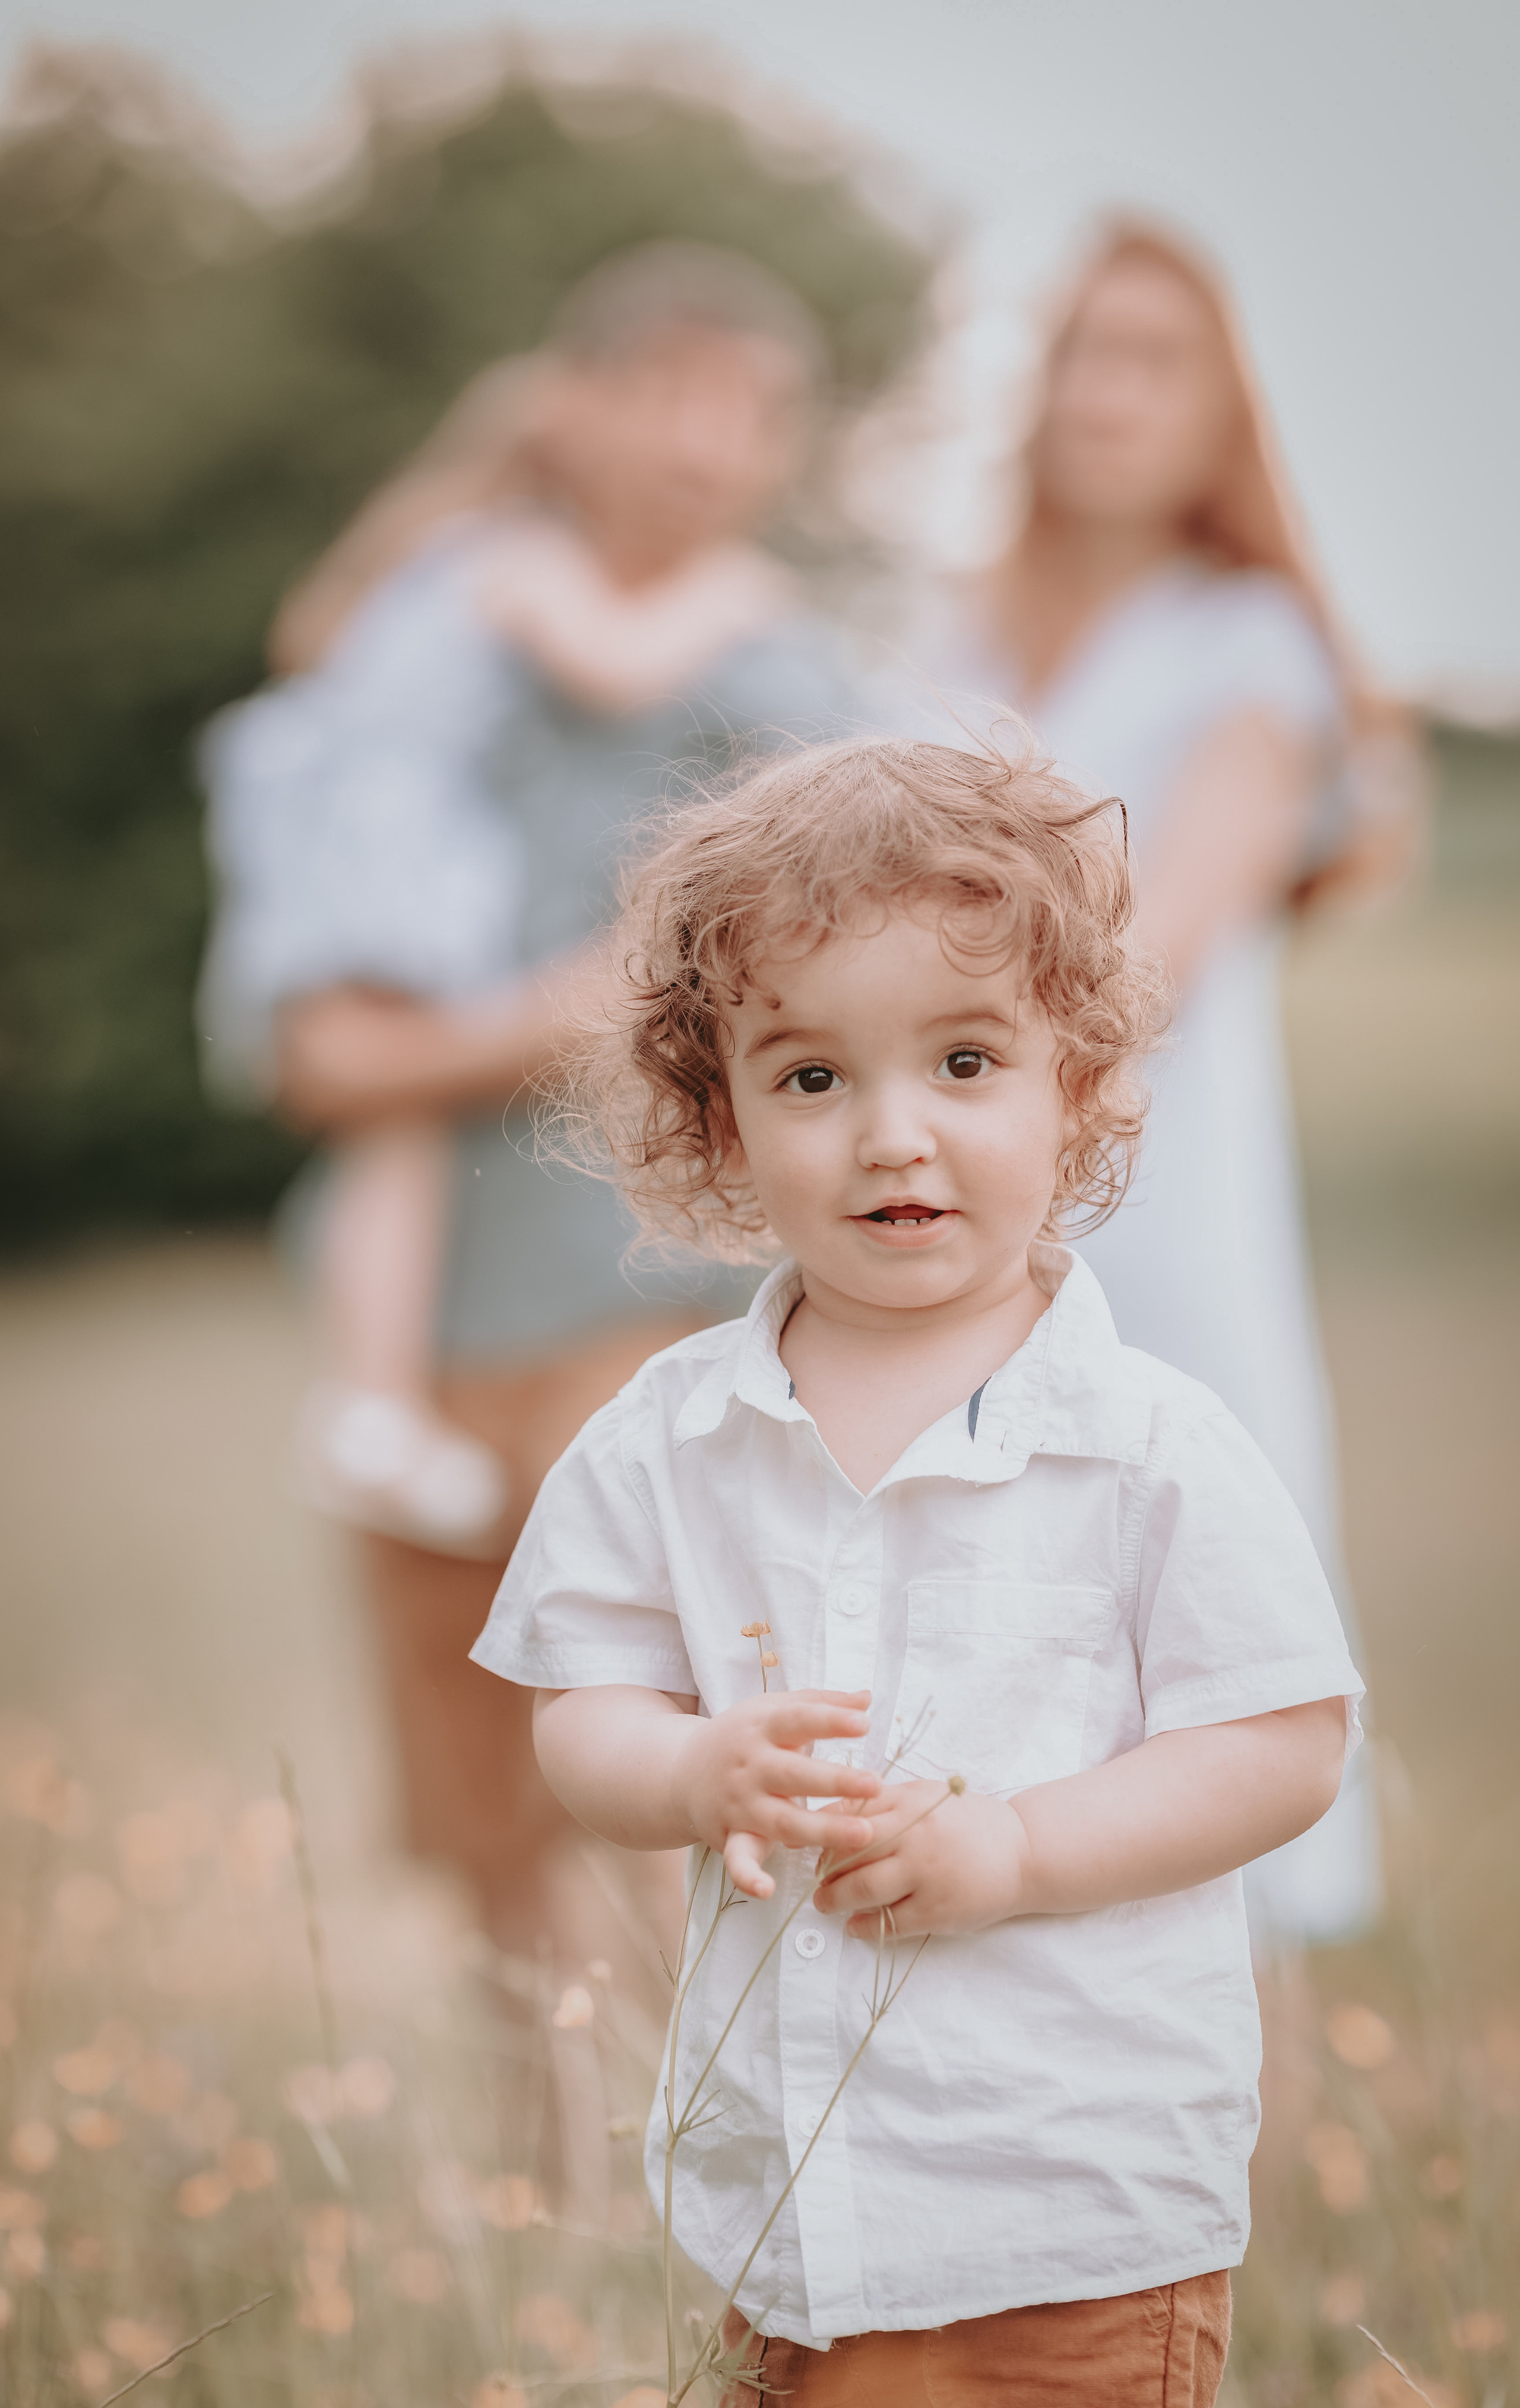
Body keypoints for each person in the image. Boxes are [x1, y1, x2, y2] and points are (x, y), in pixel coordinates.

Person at [470, 734, 1363, 2403]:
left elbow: (1282, 1742)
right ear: (717, 1119)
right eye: (813, 1079)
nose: (894, 1137)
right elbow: (581, 1703)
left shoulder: (1150, 1445)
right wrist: (688, 1766)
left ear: (1078, 1086)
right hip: (788, 2223)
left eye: (965, 1062)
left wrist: (1020, 1849)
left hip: (1072, 2226)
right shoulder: (670, 1437)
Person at [197, 242, 862, 1961]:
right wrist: (547, 1012)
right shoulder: (459, 637)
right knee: (475, 1805)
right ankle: (533, 2202)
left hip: (647, 1294)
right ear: (577, 406)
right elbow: (325, 1051)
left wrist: (533, 1021)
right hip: (431, 1326)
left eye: (741, 412)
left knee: (648, 1751)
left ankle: (694, 2182)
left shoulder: (790, 689)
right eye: (664, 393)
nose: (697, 447)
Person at [935, 221, 1422, 1945]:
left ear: (1223, 407)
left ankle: (1238, 2091)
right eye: (1082, 353)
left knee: (1190, 1594)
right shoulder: (949, 634)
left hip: (1155, 1194)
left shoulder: (1248, 642)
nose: (1107, 394)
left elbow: (1155, 964)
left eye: (1154, 358)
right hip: (935, 1197)